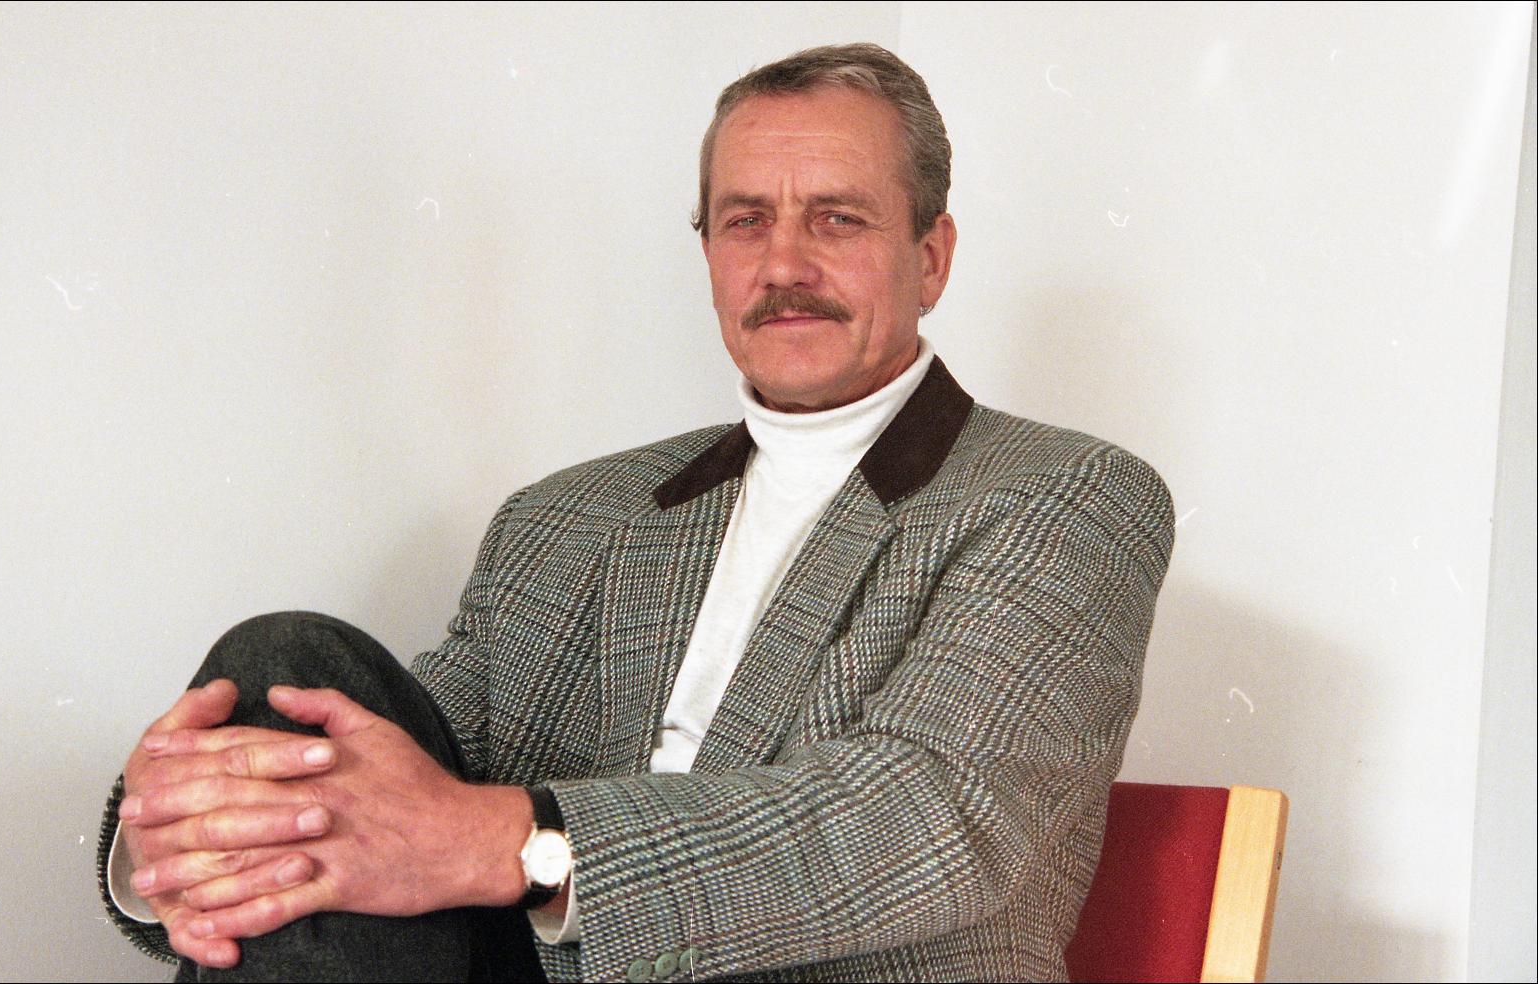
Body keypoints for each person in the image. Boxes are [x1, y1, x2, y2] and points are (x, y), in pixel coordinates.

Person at [98, 42, 1175, 982]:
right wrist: (163, 827)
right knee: (283, 668)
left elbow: (930, 823)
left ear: (929, 258)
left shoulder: (1064, 495)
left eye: (836, 219)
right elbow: (392, 773)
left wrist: (511, 845)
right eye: (745, 221)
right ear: (709, 256)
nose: (783, 265)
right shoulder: (564, 517)